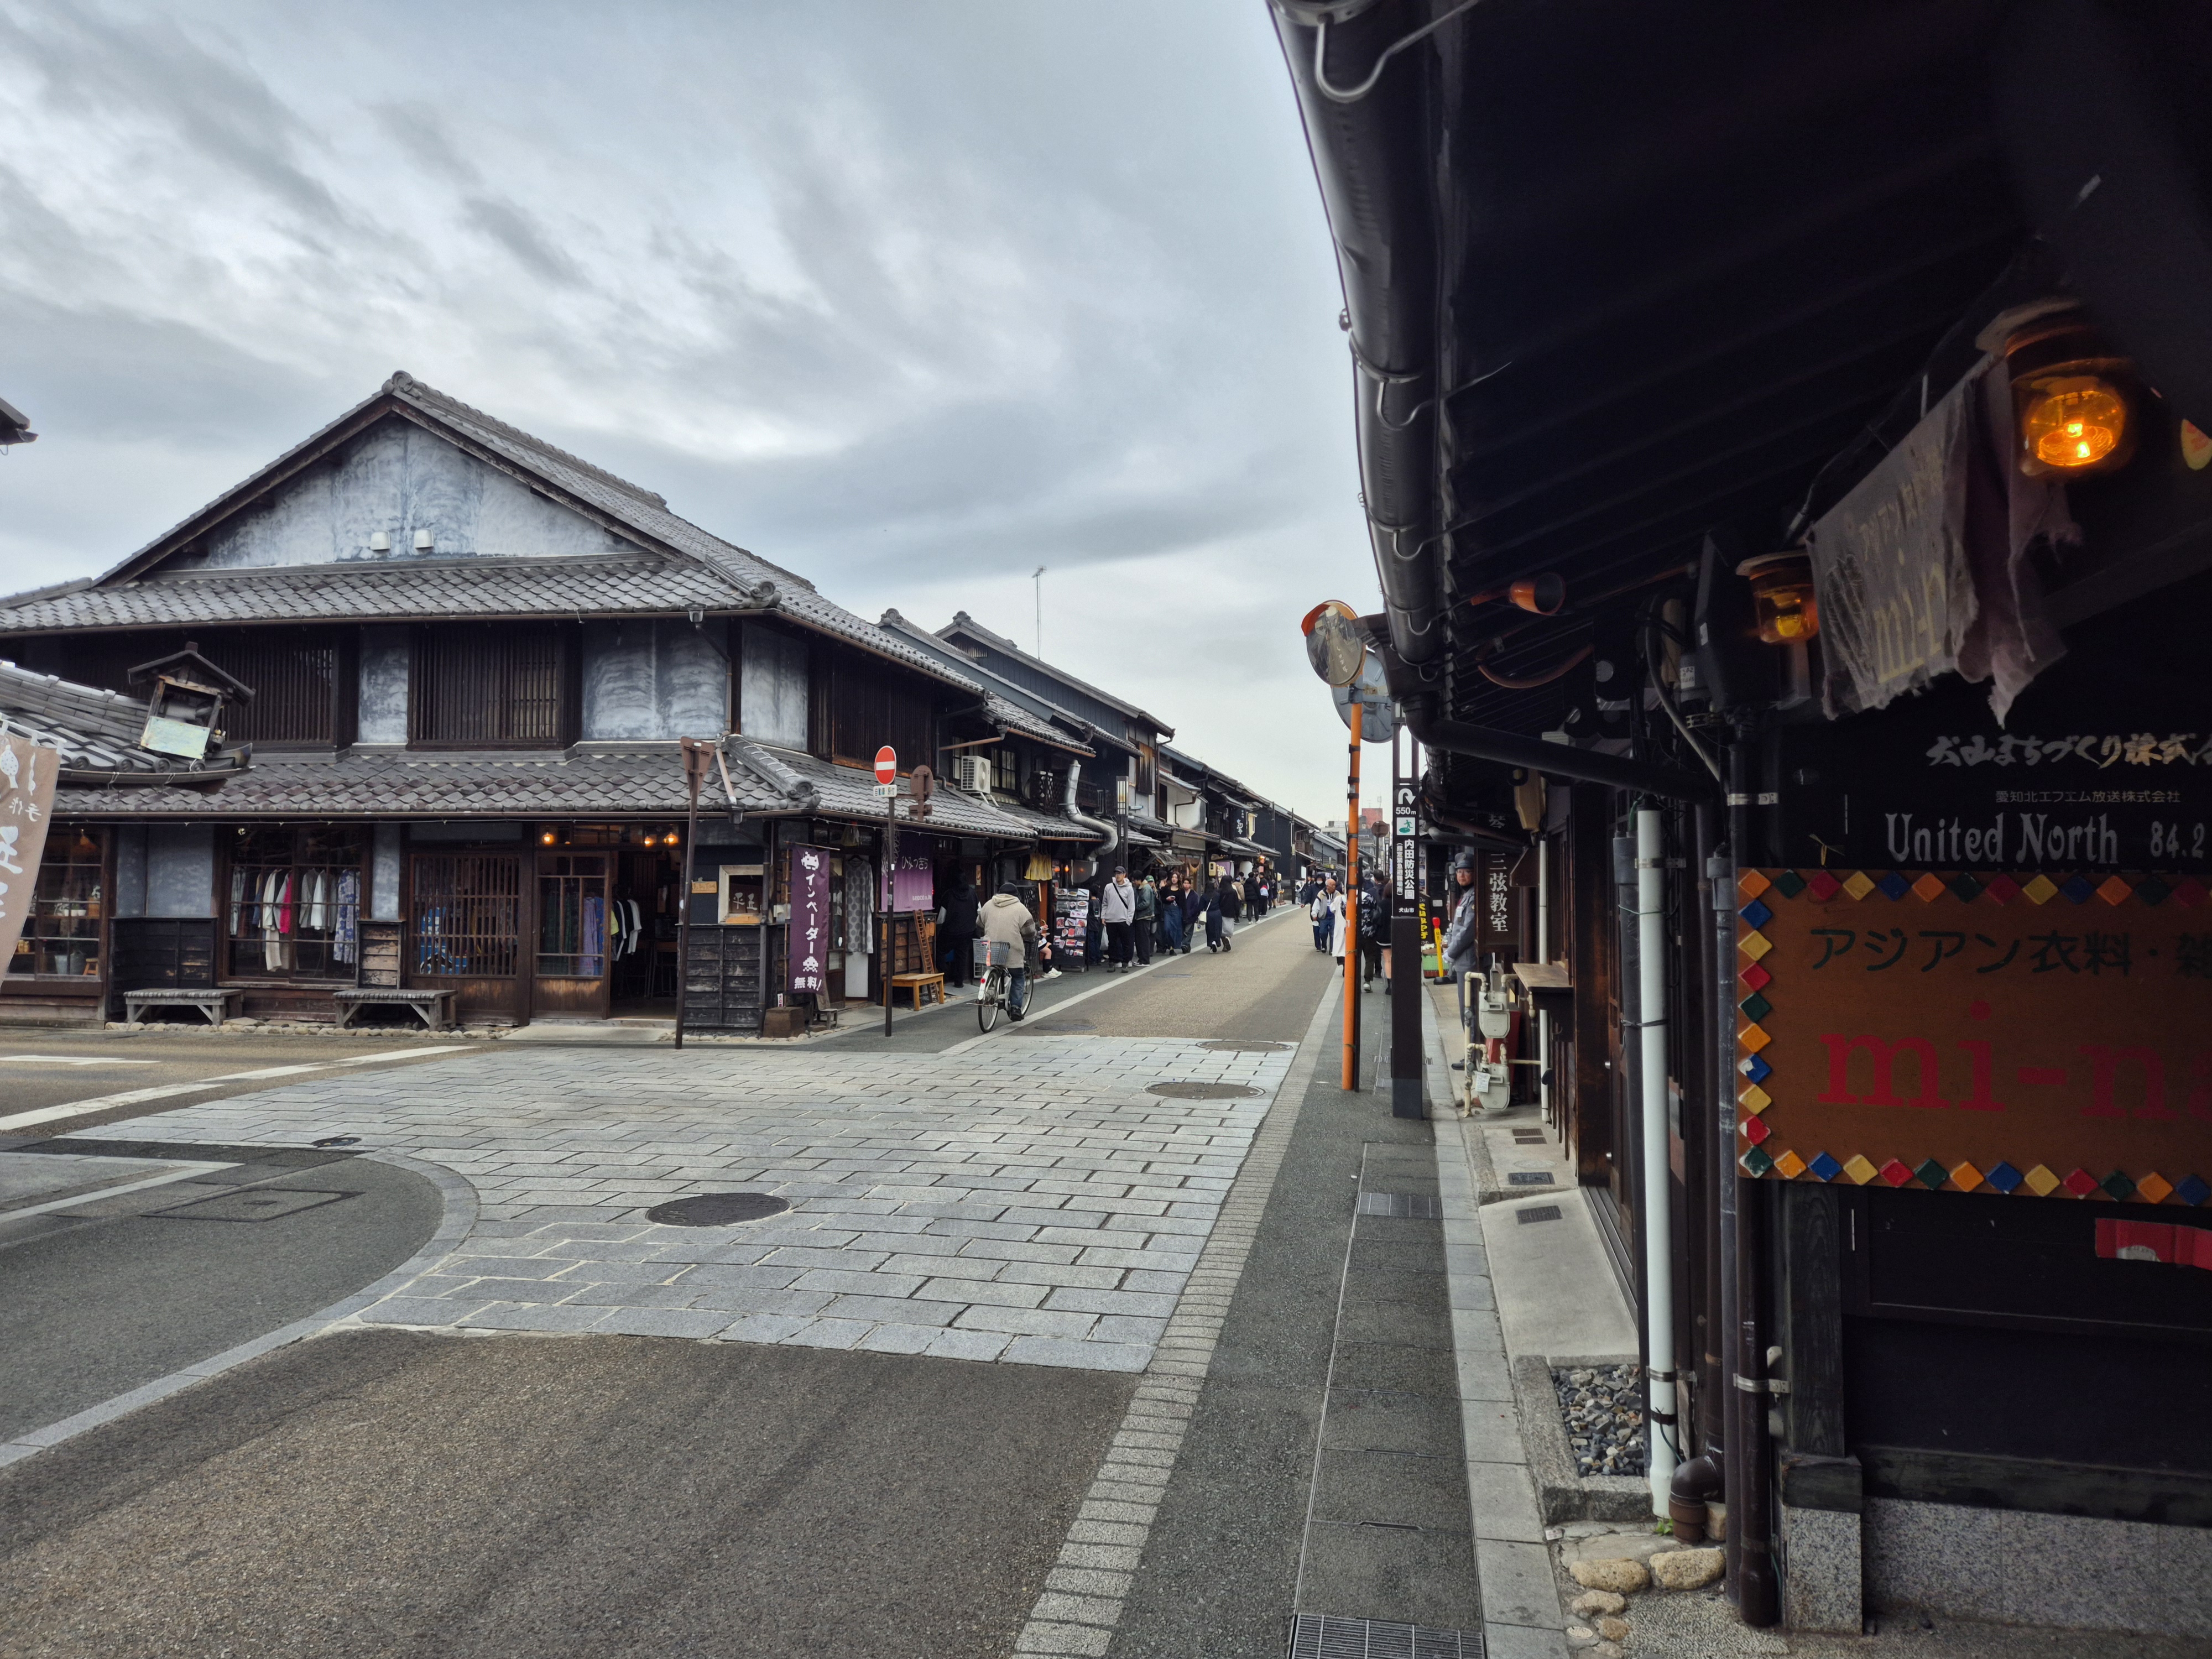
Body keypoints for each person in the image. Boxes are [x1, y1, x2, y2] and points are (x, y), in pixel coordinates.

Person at [979, 882, 1042, 1019]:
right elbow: (1029, 931)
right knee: (1018, 976)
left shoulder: (988, 905)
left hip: (991, 949)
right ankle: (1015, 1008)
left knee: (993, 967)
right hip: (1012, 950)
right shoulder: (1020, 909)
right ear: (1016, 895)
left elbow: (979, 923)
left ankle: (989, 993)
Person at [1441, 853, 1481, 984]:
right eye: (1459, 872)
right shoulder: (1467, 894)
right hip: (1463, 958)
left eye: (1467, 872)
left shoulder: (1474, 896)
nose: (1462, 876)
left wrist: (1451, 952)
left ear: (1475, 874)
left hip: (1470, 959)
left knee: (1468, 996)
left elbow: (1469, 929)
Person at [942, 874, 981, 992]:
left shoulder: (949, 894)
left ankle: (944, 976)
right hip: (968, 931)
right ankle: (959, 982)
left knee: (939, 951)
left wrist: (941, 928)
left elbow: (942, 917)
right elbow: (980, 912)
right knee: (962, 956)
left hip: (951, 932)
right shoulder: (973, 893)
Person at [1099, 864, 1138, 972]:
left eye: (1120, 873)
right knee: (1112, 943)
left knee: (1126, 943)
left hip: (1124, 920)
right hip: (1111, 920)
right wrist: (1103, 916)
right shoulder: (1109, 887)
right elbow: (1105, 903)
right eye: (1116, 873)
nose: (1118, 876)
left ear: (1124, 875)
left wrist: (1129, 920)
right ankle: (1113, 962)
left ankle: (1125, 963)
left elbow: (1132, 906)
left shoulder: (1129, 889)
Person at [1358, 874, 1389, 990]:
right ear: (1363, 884)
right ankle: (1367, 981)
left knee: (1354, 957)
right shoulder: (1369, 897)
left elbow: (1344, 912)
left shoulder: (1348, 898)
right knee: (1370, 957)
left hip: (1353, 933)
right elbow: (1376, 912)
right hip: (1369, 931)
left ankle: (1354, 982)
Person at [1133, 871, 1157, 966]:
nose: (1134, 882)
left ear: (1139, 879)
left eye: (1135, 880)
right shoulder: (1142, 888)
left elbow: (1146, 903)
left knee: (1143, 939)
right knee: (1141, 939)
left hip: (1144, 916)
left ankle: (1145, 960)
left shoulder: (1146, 888)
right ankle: (1142, 959)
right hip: (1142, 916)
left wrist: (1136, 908)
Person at [1310, 874, 1338, 952]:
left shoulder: (1337, 894)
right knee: (1323, 933)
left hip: (1333, 917)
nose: (1334, 887)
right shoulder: (1321, 894)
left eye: (1335, 885)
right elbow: (1316, 904)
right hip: (1323, 917)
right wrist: (1314, 914)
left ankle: (1332, 949)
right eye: (1332, 885)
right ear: (1328, 886)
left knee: (1333, 934)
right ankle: (1324, 945)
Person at [1216, 873, 1244, 952]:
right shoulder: (1233, 891)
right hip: (1230, 912)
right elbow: (1236, 903)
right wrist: (1237, 913)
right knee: (1229, 929)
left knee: (1221, 930)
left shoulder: (1219, 891)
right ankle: (1228, 938)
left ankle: (1225, 945)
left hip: (1220, 912)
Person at [1159, 876, 1185, 954]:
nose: (1174, 879)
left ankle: (1172, 948)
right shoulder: (1167, 888)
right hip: (1167, 910)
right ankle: (1166, 944)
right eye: (1173, 877)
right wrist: (1167, 899)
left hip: (1177, 911)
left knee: (1174, 930)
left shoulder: (1181, 890)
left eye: (1176, 878)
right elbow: (1162, 899)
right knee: (1167, 928)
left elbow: (1183, 903)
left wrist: (1185, 914)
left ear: (1178, 879)